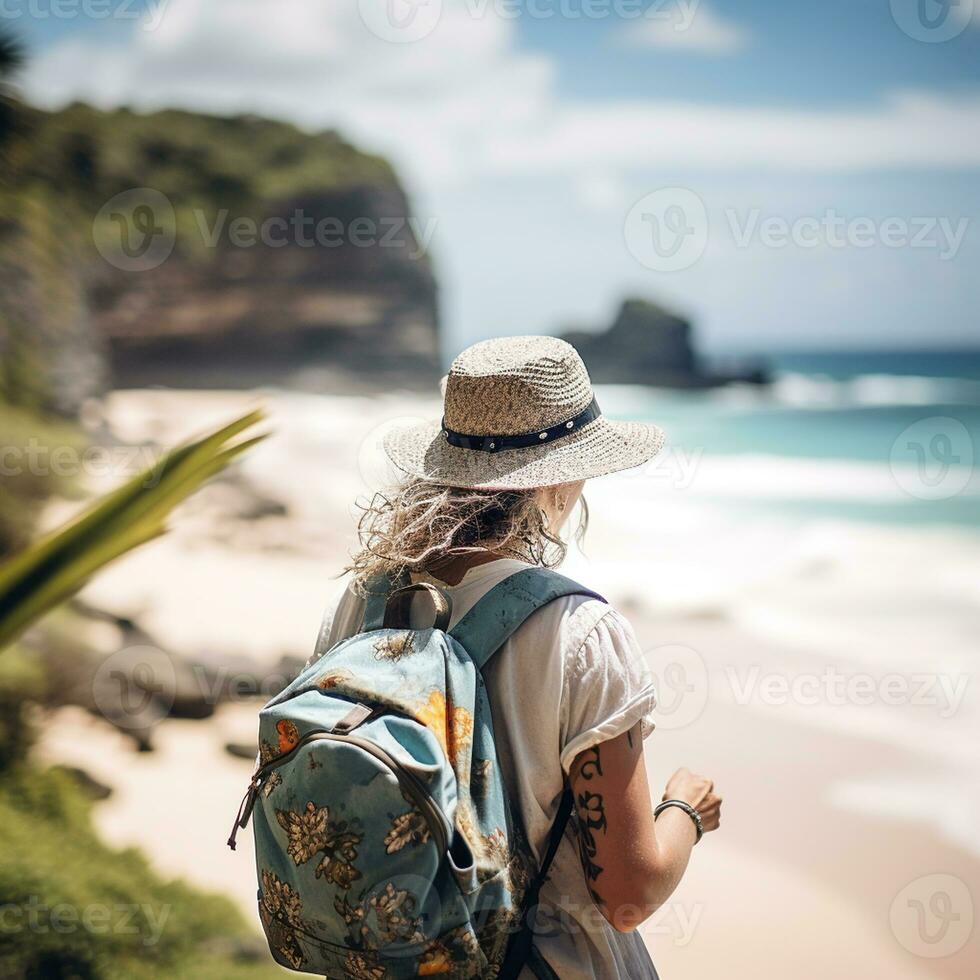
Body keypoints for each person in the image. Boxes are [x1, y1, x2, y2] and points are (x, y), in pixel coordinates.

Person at [312, 335, 722, 979]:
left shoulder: (364, 599)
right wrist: (686, 813)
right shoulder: (579, 631)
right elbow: (628, 893)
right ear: (560, 473)